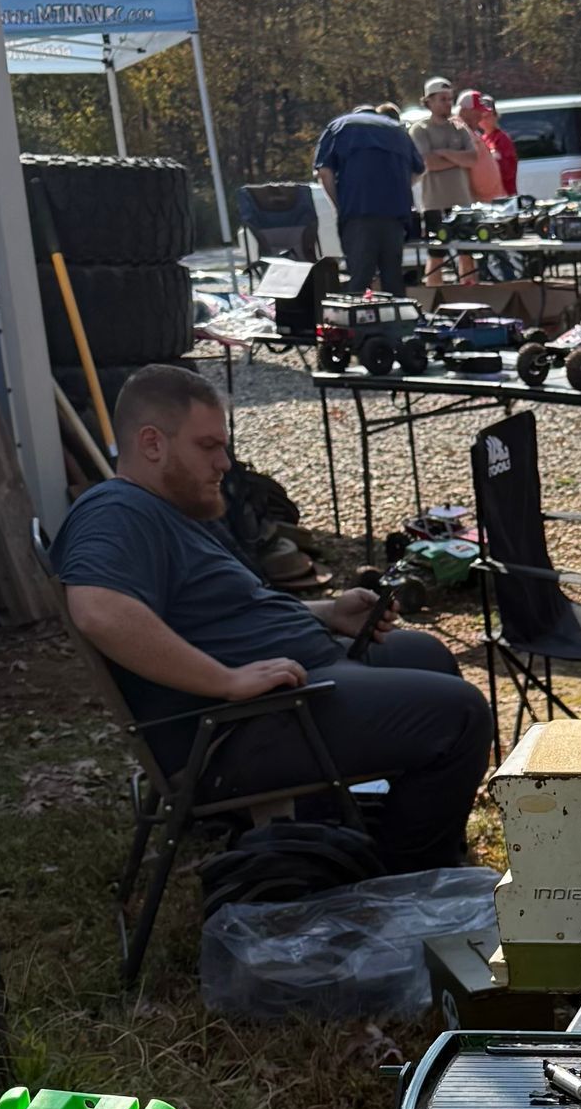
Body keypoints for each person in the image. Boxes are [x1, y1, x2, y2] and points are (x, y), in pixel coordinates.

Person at [54, 364, 493, 874]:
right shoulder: (115, 511)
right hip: (235, 731)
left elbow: (219, 613)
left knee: (428, 654)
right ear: (152, 443)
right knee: (460, 715)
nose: (225, 462)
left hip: (288, 689)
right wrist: (225, 680)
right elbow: (98, 610)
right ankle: (410, 879)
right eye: (208, 446)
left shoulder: (166, 512)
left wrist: (326, 613)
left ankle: (379, 837)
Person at [312, 101, 423, 293]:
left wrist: (339, 205)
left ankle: (355, 321)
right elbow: (418, 170)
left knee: (360, 277)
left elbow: (324, 172)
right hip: (395, 214)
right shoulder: (397, 130)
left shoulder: (340, 126)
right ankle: (397, 321)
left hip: (358, 211)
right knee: (393, 278)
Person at [415, 78, 485, 220]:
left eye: (450, 99)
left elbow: (473, 159)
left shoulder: (459, 127)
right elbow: (428, 163)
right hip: (435, 205)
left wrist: (445, 153)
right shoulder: (420, 129)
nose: (448, 104)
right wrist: (459, 158)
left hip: (463, 205)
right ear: (429, 102)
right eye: (443, 100)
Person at [454, 89, 504, 202]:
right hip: (474, 201)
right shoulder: (458, 130)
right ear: (465, 111)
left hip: (487, 200)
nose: (481, 117)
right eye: (478, 112)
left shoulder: (472, 130)